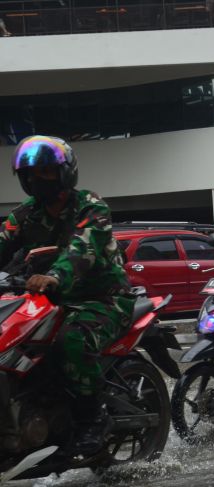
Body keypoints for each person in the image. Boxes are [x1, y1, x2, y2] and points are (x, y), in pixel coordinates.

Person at [0, 135, 133, 454]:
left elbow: (82, 249)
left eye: (45, 171)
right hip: (49, 302)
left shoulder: (90, 205)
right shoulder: (25, 214)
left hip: (104, 299)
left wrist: (54, 276)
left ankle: (92, 419)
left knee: (70, 340)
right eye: (31, 174)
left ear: (64, 172)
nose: (37, 179)